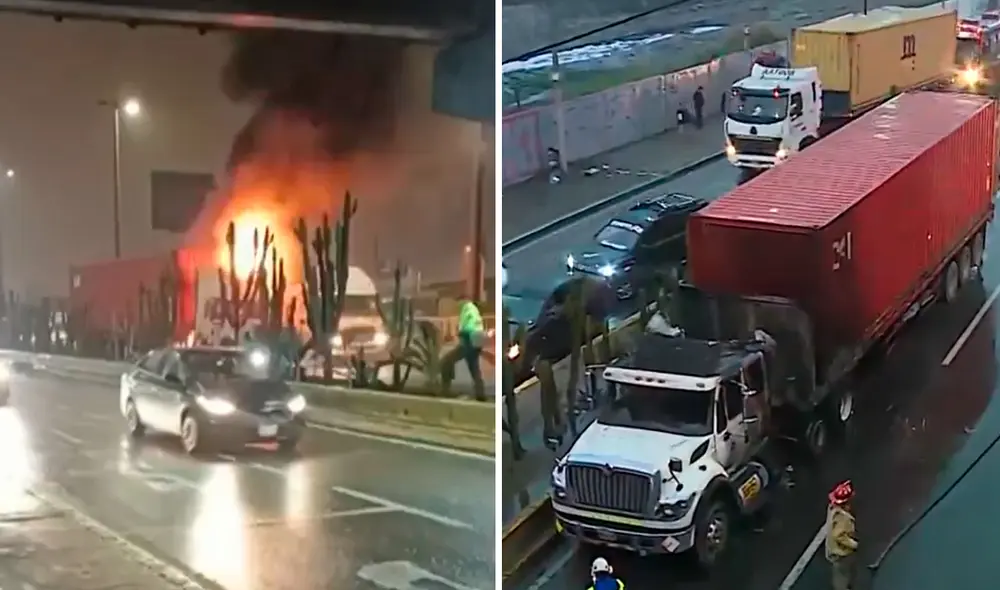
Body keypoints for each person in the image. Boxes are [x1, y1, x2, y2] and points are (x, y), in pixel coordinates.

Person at [825, 480, 858, 590]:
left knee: (841, 575)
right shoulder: (842, 518)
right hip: (841, 553)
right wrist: (853, 544)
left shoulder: (833, 509)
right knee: (842, 577)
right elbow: (838, 535)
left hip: (833, 550)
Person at [457, 294, 487, 401]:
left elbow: (467, 325)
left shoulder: (467, 308)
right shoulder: (474, 308)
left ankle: (480, 394)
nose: (458, 305)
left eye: (459, 302)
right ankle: (479, 392)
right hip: (478, 337)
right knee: (475, 367)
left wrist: (461, 332)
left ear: (463, 300)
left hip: (471, 337)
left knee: (473, 367)